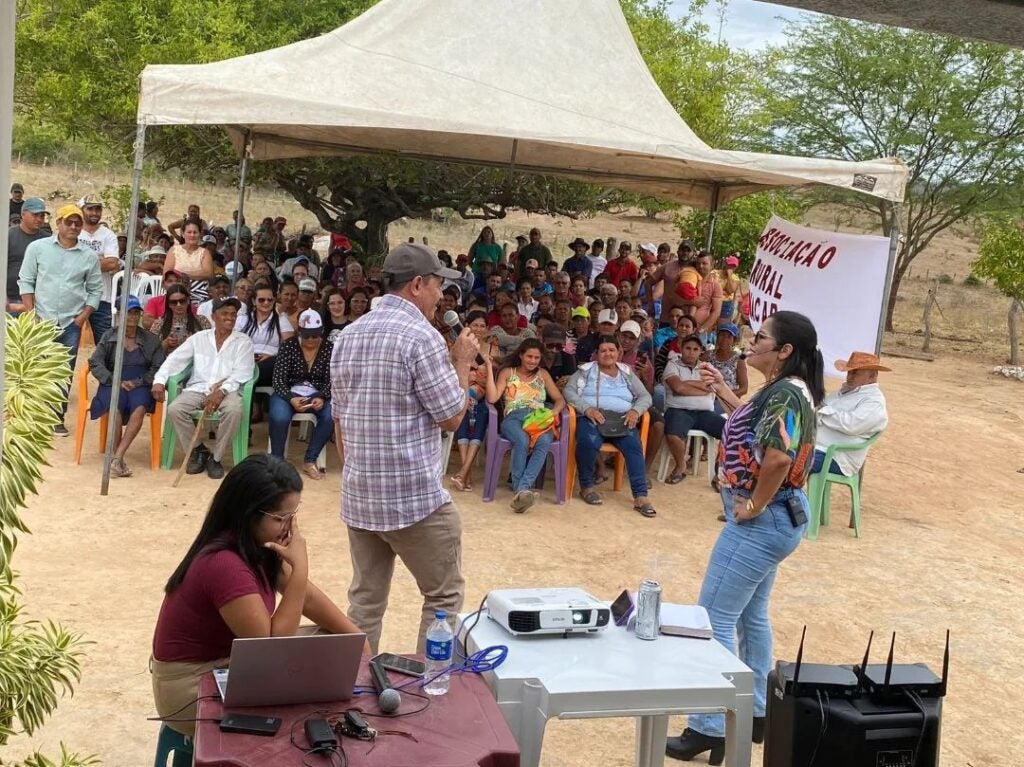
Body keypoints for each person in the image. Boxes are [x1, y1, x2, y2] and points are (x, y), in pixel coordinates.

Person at [666, 311, 823, 762]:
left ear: (785, 351)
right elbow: (758, 431)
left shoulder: (785, 395)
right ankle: (755, 712)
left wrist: (752, 505)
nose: (752, 343)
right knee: (751, 616)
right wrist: (724, 392)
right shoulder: (785, 391)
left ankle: (711, 726)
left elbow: (775, 459)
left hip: (763, 520)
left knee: (713, 616)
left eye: (762, 338)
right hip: (780, 519)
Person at [330, 242, 480, 653]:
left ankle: (353, 696)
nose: (441, 297)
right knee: (443, 599)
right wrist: (463, 361)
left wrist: (361, 472)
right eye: (437, 287)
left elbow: (339, 422)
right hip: (414, 499)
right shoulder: (422, 337)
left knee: (364, 604)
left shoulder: (347, 336)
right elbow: (451, 415)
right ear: (417, 284)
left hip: (360, 497)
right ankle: (432, 691)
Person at [150, 455, 364, 737]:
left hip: (226, 663)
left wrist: (359, 642)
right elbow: (272, 647)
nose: (290, 527)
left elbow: (307, 600)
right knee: (305, 707)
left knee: (333, 642)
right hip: (189, 687)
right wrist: (300, 567)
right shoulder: (224, 564)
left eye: (293, 515)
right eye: (281, 518)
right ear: (249, 513)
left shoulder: (255, 544)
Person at [18, 203, 102, 436]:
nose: (74, 226)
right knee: (35, 369)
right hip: (39, 320)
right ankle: (30, 418)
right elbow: (26, 281)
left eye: (77, 223)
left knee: (64, 371)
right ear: (58, 223)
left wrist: (83, 317)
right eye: (69, 222)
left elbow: (95, 290)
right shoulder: (38, 248)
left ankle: (56, 418)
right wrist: (30, 312)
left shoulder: (88, 256)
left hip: (69, 324)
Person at [152, 297, 255, 480]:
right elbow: (175, 360)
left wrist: (221, 391)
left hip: (228, 390)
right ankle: (199, 450)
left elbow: (244, 373)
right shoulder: (198, 339)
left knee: (234, 410)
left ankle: (215, 458)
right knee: (175, 409)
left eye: (233, 314)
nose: (230, 318)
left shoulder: (243, 341)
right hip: (199, 388)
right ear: (214, 316)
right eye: (225, 313)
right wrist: (159, 380)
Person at [564, 335, 656, 516]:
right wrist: (587, 409)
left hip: (622, 419)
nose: (608, 354)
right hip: (592, 417)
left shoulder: (626, 372)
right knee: (587, 442)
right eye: (603, 350)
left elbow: (646, 396)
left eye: (612, 350)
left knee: (634, 446)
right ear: (596, 354)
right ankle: (587, 487)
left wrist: (635, 411)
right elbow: (569, 391)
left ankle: (640, 496)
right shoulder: (585, 370)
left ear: (618, 352)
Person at [87, 296, 165, 477]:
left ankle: (117, 457)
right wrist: (114, 380)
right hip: (112, 381)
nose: (132, 316)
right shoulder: (109, 336)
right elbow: (95, 362)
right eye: (128, 312)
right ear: (119, 314)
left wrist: (139, 381)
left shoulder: (151, 339)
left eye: (136, 312)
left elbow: (158, 366)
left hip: (141, 382)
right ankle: (118, 460)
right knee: (114, 406)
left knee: (139, 408)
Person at [485, 338, 565, 513]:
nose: (533, 361)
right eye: (529, 356)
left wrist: (554, 412)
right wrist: (490, 369)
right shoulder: (508, 372)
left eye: (536, 358)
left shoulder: (543, 374)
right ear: (521, 355)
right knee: (521, 440)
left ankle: (521, 490)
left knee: (544, 442)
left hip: (538, 418)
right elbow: (492, 398)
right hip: (514, 417)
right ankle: (522, 490)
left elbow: (559, 399)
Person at [269, 310, 334, 481]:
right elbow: (278, 380)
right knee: (279, 417)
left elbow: (333, 380)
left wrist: (321, 396)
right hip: (289, 392)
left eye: (315, 336)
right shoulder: (289, 345)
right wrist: (291, 397)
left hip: (317, 393)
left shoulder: (329, 348)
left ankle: (310, 460)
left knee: (330, 415)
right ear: (299, 332)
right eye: (307, 336)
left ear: (321, 333)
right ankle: (277, 461)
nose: (311, 340)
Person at [812, 351, 890, 476]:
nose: (850, 376)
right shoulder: (842, 392)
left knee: (787, 462)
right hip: (816, 447)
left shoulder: (874, 402)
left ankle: (788, 495)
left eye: (856, 373)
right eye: (849, 372)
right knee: (777, 454)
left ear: (872, 376)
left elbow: (851, 425)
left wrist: (822, 411)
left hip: (837, 457)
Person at [662, 334, 725, 484]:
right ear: (681, 349)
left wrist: (687, 385)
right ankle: (681, 466)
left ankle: (721, 473)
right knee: (673, 435)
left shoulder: (706, 368)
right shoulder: (672, 365)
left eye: (695, 349)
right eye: (688, 348)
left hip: (705, 413)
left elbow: (713, 388)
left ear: (701, 351)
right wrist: (703, 387)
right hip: (679, 410)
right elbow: (677, 388)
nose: (691, 352)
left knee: (730, 432)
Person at [448, 310, 494, 492]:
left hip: (483, 399)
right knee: (464, 407)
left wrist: (471, 377)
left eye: (482, 326)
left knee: (480, 412)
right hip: (461, 395)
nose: (478, 329)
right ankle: (464, 473)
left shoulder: (492, 349)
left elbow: (489, 379)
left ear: (487, 329)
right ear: (467, 326)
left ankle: (463, 472)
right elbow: (452, 374)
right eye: (475, 324)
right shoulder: (458, 347)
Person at [240, 284, 294, 388]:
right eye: (261, 300)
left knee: (275, 364)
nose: (266, 303)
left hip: (270, 364)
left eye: (270, 300)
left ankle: (245, 380)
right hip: (245, 360)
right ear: (253, 301)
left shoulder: (281, 320)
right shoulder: (243, 319)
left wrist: (273, 356)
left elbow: (290, 349)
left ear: (274, 301)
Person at [6, 196, 48, 314]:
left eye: (42, 216)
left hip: (39, 302)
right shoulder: (8, 236)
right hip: (12, 300)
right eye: (35, 215)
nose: (39, 219)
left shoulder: (47, 240)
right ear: (23, 214)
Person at [647, 239, 697, 326]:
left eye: (688, 251)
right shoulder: (667, 267)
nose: (685, 253)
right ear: (678, 251)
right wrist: (651, 305)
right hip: (667, 318)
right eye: (682, 250)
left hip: (687, 321)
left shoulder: (697, 268)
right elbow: (648, 283)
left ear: (693, 253)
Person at [164, 220, 214, 305]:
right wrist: (196, 274)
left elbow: (208, 274)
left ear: (200, 234)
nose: (192, 235)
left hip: (199, 293)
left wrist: (182, 274)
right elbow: (167, 274)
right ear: (183, 234)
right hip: (176, 290)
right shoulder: (174, 250)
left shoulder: (205, 252)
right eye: (189, 232)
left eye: (195, 232)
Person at [151, 284, 211, 354]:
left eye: (182, 301)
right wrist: (166, 343)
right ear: (169, 304)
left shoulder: (202, 321)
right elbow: (151, 353)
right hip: (168, 362)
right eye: (174, 302)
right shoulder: (159, 324)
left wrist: (194, 341)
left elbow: (211, 347)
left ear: (188, 301)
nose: (178, 305)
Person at [708, 323, 748, 399]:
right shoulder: (708, 355)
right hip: (708, 398)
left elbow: (744, 389)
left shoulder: (738, 359)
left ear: (734, 340)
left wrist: (722, 396)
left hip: (728, 401)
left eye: (729, 337)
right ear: (717, 336)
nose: (724, 339)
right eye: (722, 335)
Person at [694, 251, 724, 339]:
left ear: (712, 265)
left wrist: (701, 330)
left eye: (704, 263)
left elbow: (716, 311)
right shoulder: (690, 280)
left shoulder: (715, 286)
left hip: (699, 331)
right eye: (698, 263)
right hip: (682, 327)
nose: (700, 266)